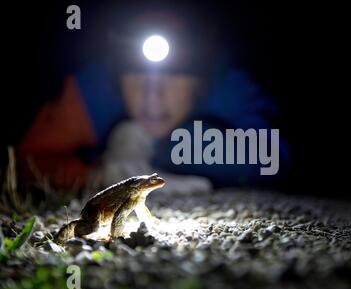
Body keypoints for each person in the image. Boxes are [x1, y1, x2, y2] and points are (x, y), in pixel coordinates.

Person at [18, 8, 291, 194]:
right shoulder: (93, 92)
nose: (153, 95)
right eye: (136, 75)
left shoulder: (229, 90)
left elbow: (273, 159)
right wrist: (94, 175)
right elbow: (26, 162)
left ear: (200, 81)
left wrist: (171, 149)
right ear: (117, 73)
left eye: (174, 76)